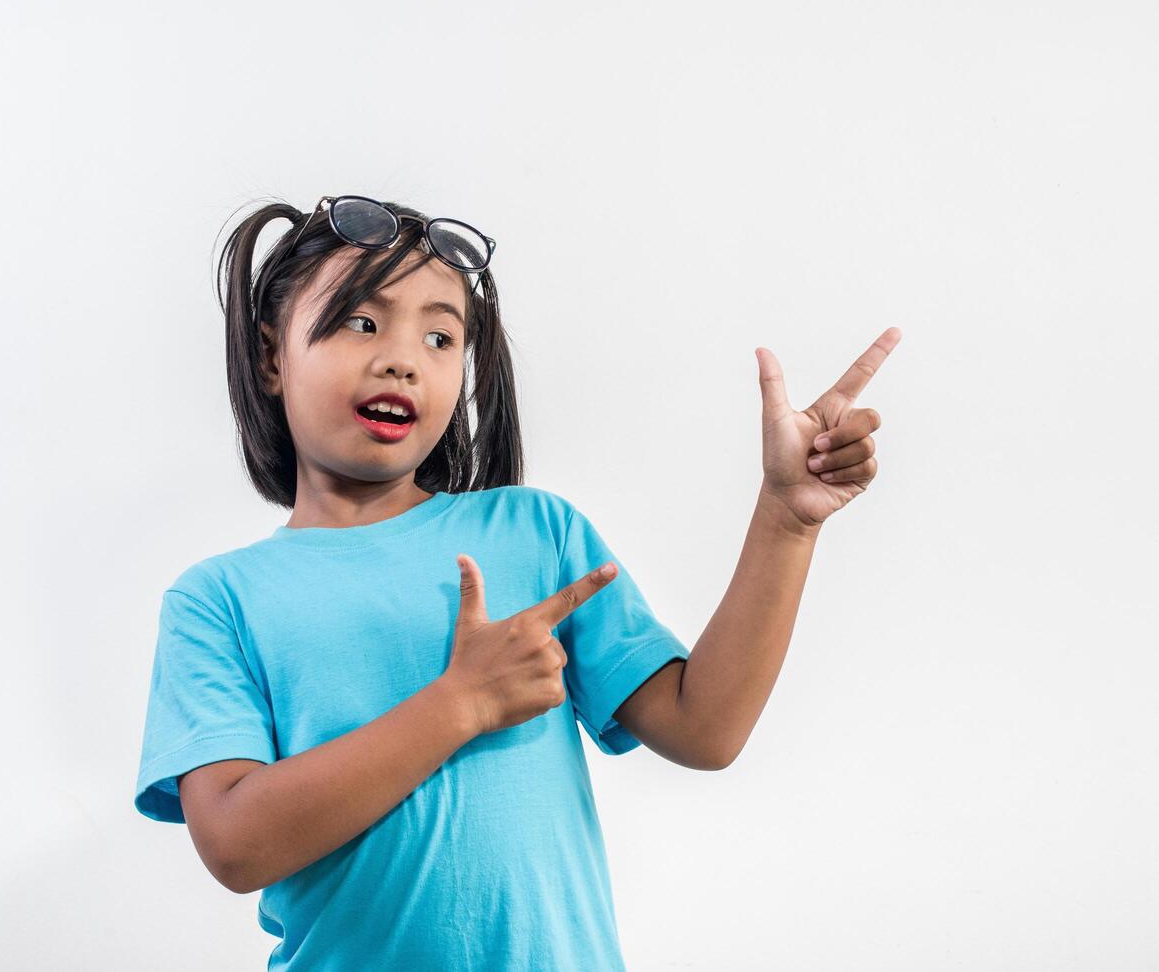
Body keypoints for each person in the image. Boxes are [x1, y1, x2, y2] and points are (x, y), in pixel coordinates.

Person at [133, 194, 900, 970]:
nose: (403, 357)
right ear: (271, 356)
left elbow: (704, 730)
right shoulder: (218, 599)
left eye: (439, 336)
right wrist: (459, 703)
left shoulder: (534, 534)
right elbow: (235, 846)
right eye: (362, 322)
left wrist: (785, 520)